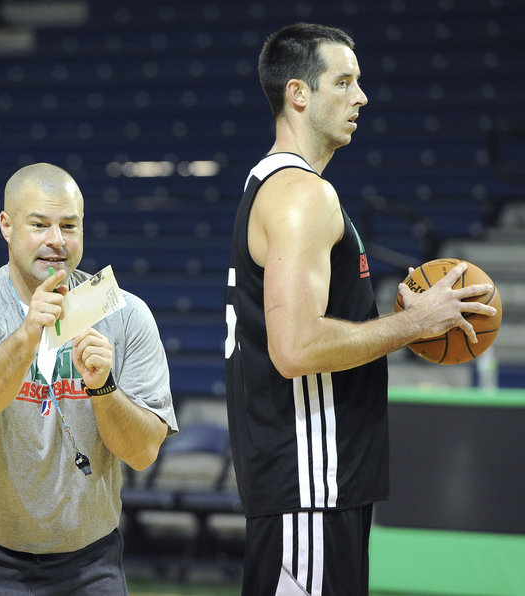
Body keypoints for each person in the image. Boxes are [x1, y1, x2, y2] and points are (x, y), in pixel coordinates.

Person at [224, 23, 498, 596]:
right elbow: (296, 347)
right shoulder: (301, 193)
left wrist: (385, 315)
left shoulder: (274, 186)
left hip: (312, 485)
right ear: (298, 93)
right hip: (309, 483)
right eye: (344, 82)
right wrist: (414, 325)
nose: (361, 97)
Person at [0, 162, 177, 595]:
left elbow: (142, 453)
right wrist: (27, 335)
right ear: (6, 226)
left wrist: (103, 387)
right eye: (39, 225)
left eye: (69, 226)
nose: (56, 241)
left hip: (87, 559)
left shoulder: (124, 314)